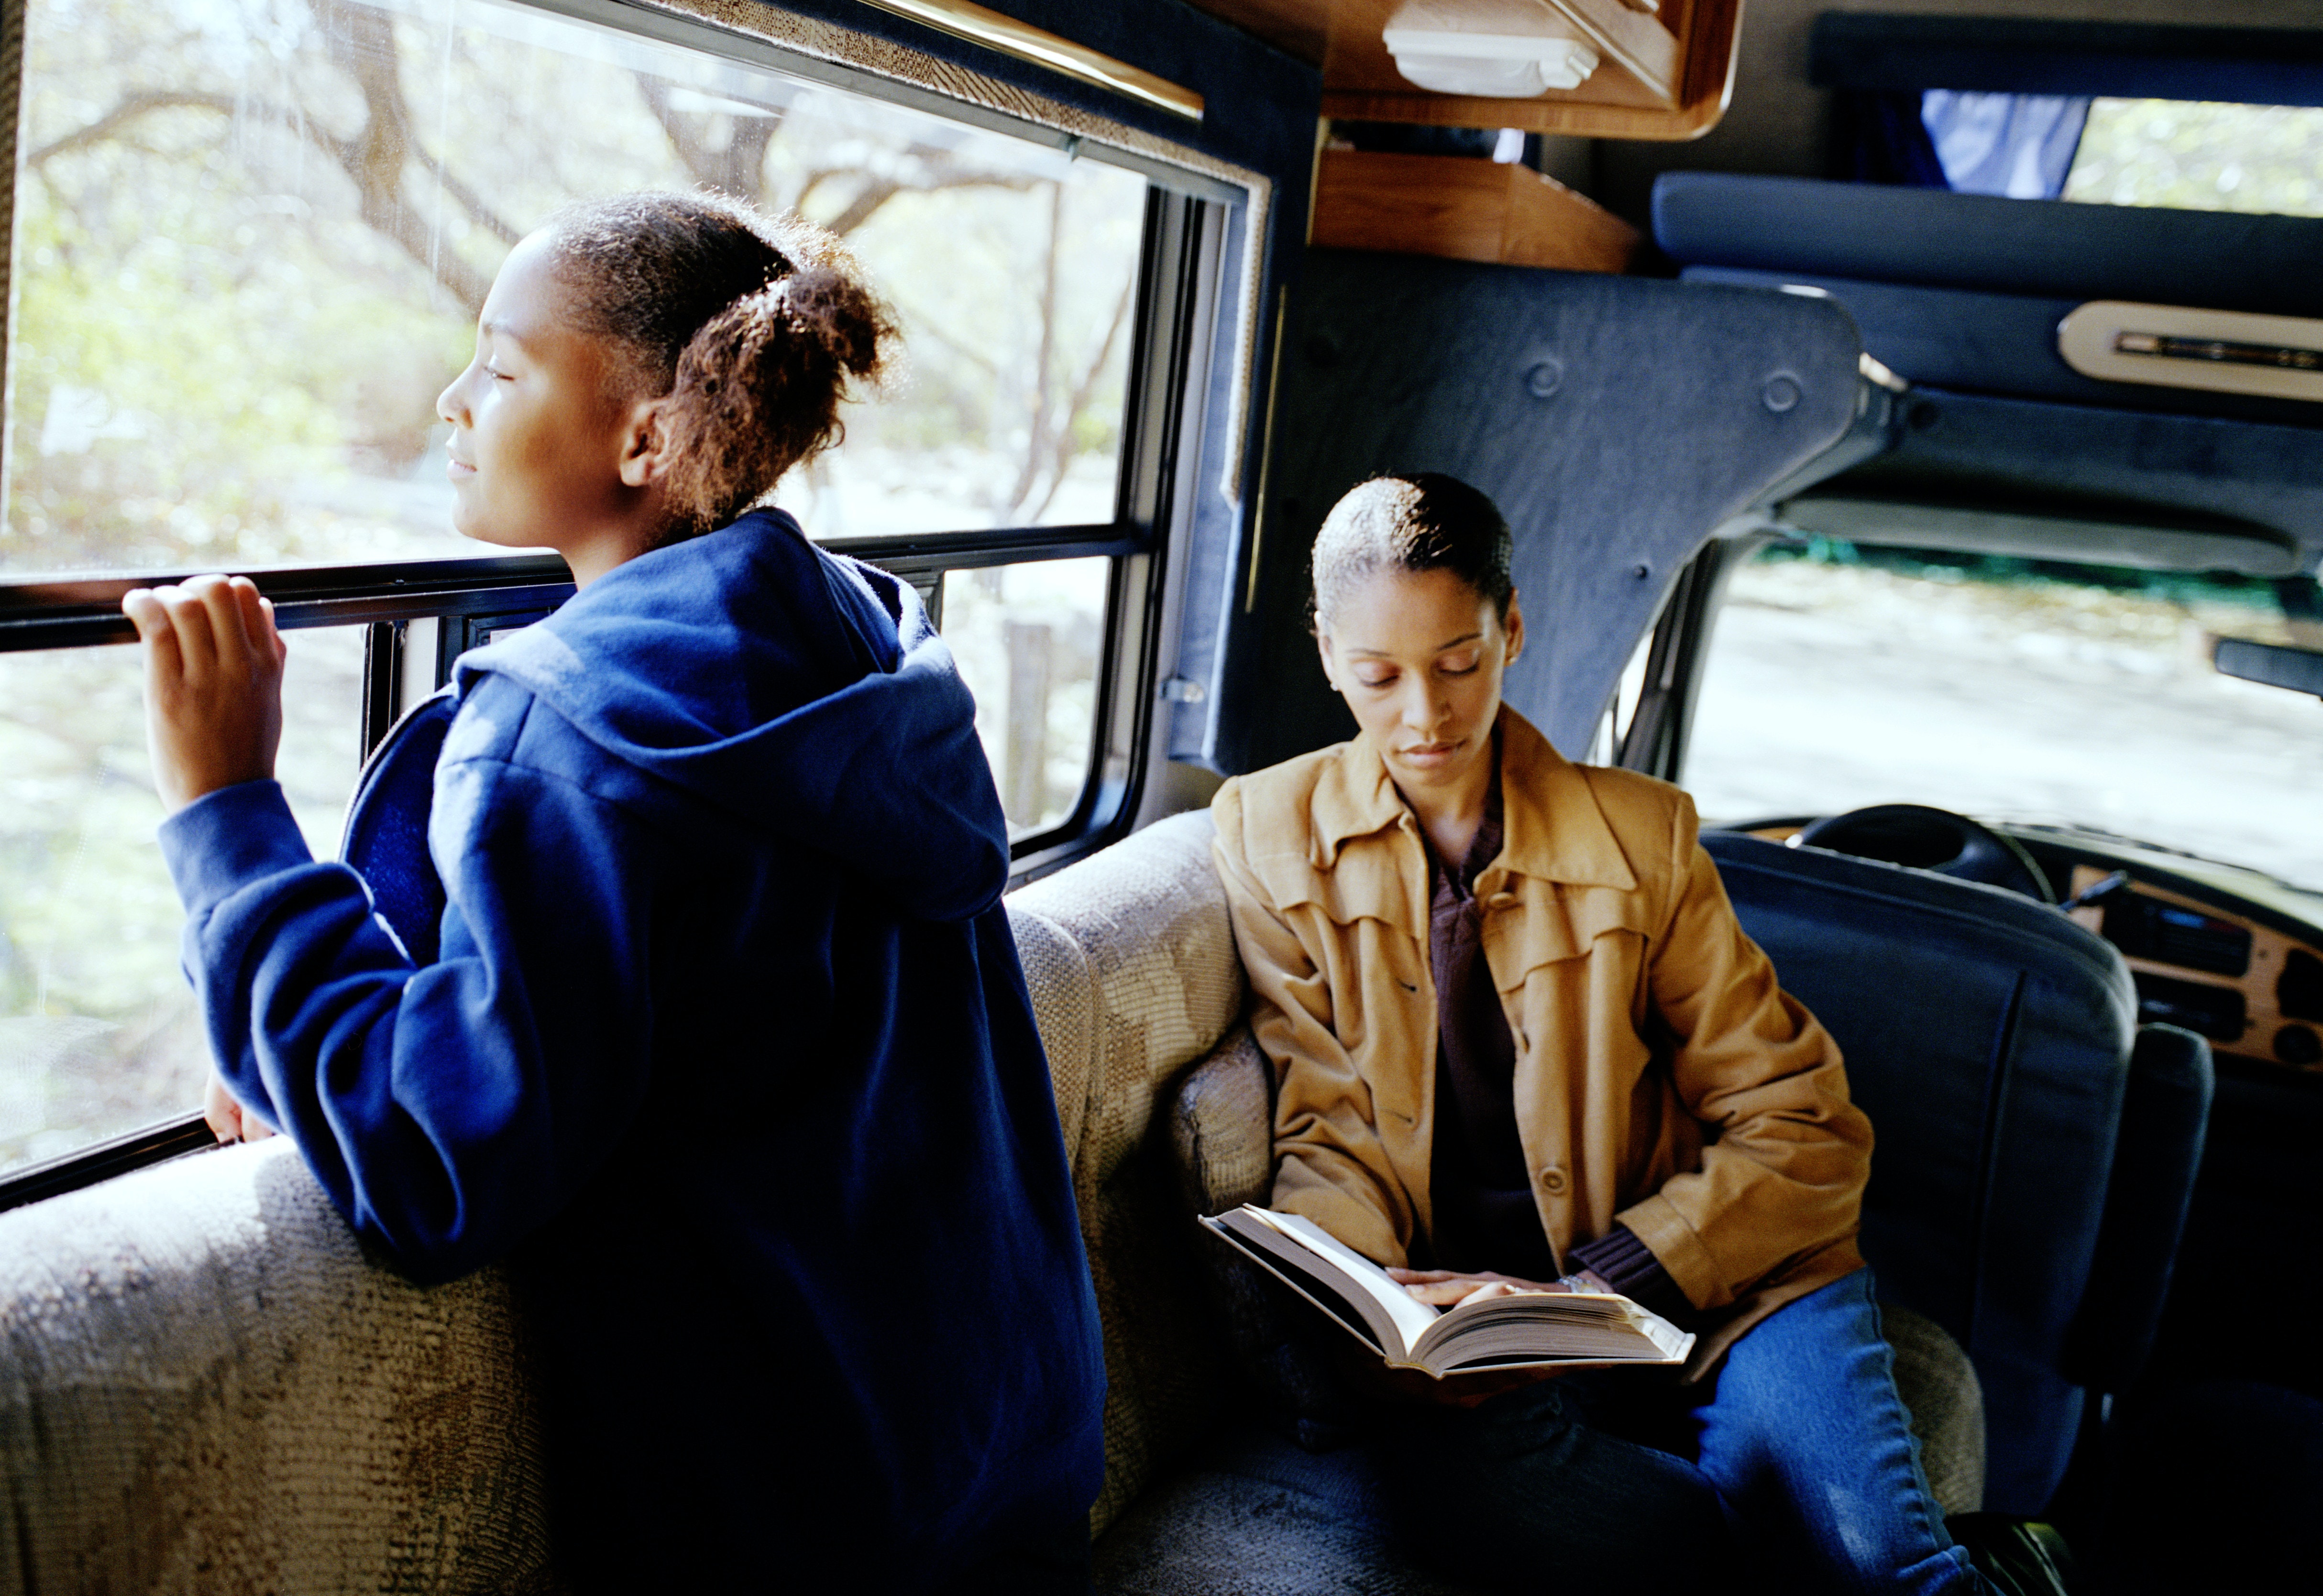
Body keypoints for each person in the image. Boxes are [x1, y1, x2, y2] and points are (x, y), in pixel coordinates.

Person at [122, 192, 1104, 1594]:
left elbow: (438, 1161)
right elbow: (667, 1006)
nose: (456, 402)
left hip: (796, 1532)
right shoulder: (862, 645)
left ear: (648, 437)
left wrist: (227, 815)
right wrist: (293, 1030)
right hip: (1011, 1472)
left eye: (503, 366)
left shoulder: (577, 739)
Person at [1208, 472, 1991, 1594]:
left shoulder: (1646, 836)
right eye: (1378, 677)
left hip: (1736, 1295)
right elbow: (1326, 1118)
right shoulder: (1264, 829)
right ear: (1326, 650)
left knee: (1879, 1562)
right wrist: (1371, 1305)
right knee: (1463, 1498)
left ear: (1511, 628)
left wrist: (1605, 1283)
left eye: (1458, 663)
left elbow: (1804, 1130)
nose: (1423, 717)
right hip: (1491, 1346)